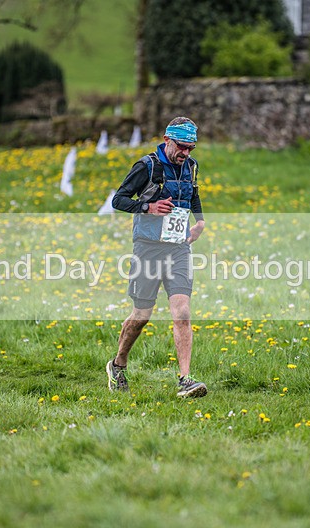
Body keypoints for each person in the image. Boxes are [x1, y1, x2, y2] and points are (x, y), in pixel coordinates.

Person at [107, 117, 207, 398]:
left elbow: (193, 194)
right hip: (148, 248)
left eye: (191, 148)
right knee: (142, 315)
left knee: (182, 312)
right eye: (182, 147)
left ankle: (185, 380)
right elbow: (118, 199)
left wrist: (199, 221)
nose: (186, 153)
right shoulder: (147, 166)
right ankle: (118, 364)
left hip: (178, 248)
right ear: (166, 140)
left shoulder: (191, 166)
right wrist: (148, 207)